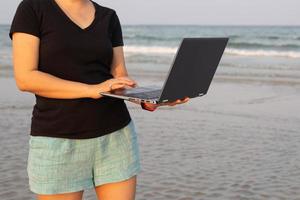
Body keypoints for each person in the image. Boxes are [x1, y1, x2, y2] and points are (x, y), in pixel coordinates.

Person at [9, 0, 189, 199]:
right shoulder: (33, 8)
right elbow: (26, 78)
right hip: (58, 139)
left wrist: (148, 99)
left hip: (116, 136)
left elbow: (119, 76)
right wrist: (91, 89)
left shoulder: (108, 16)